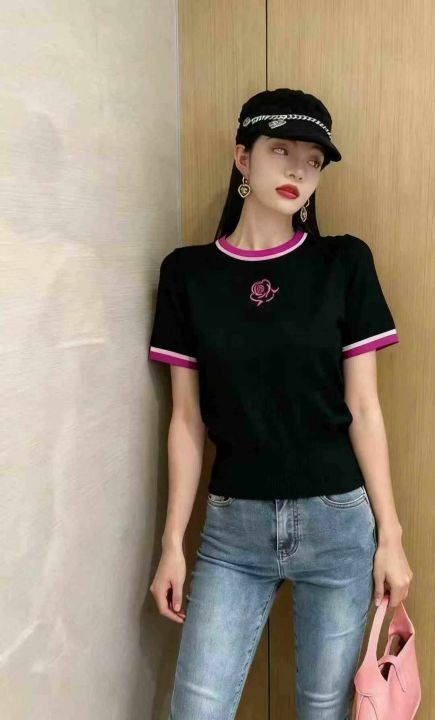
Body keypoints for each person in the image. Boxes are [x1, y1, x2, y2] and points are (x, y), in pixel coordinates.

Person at [148, 88, 413, 720]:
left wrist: (392, 536)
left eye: (313, 160)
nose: (299, 170)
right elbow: (185, 420)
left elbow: (365, 407)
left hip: (338, 525)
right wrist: (171, 543)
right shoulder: (188, 275)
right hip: (232, 532)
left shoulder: (343, 263)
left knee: (324, 709)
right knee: (197, 708)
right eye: (281, 151)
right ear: (243, 158)